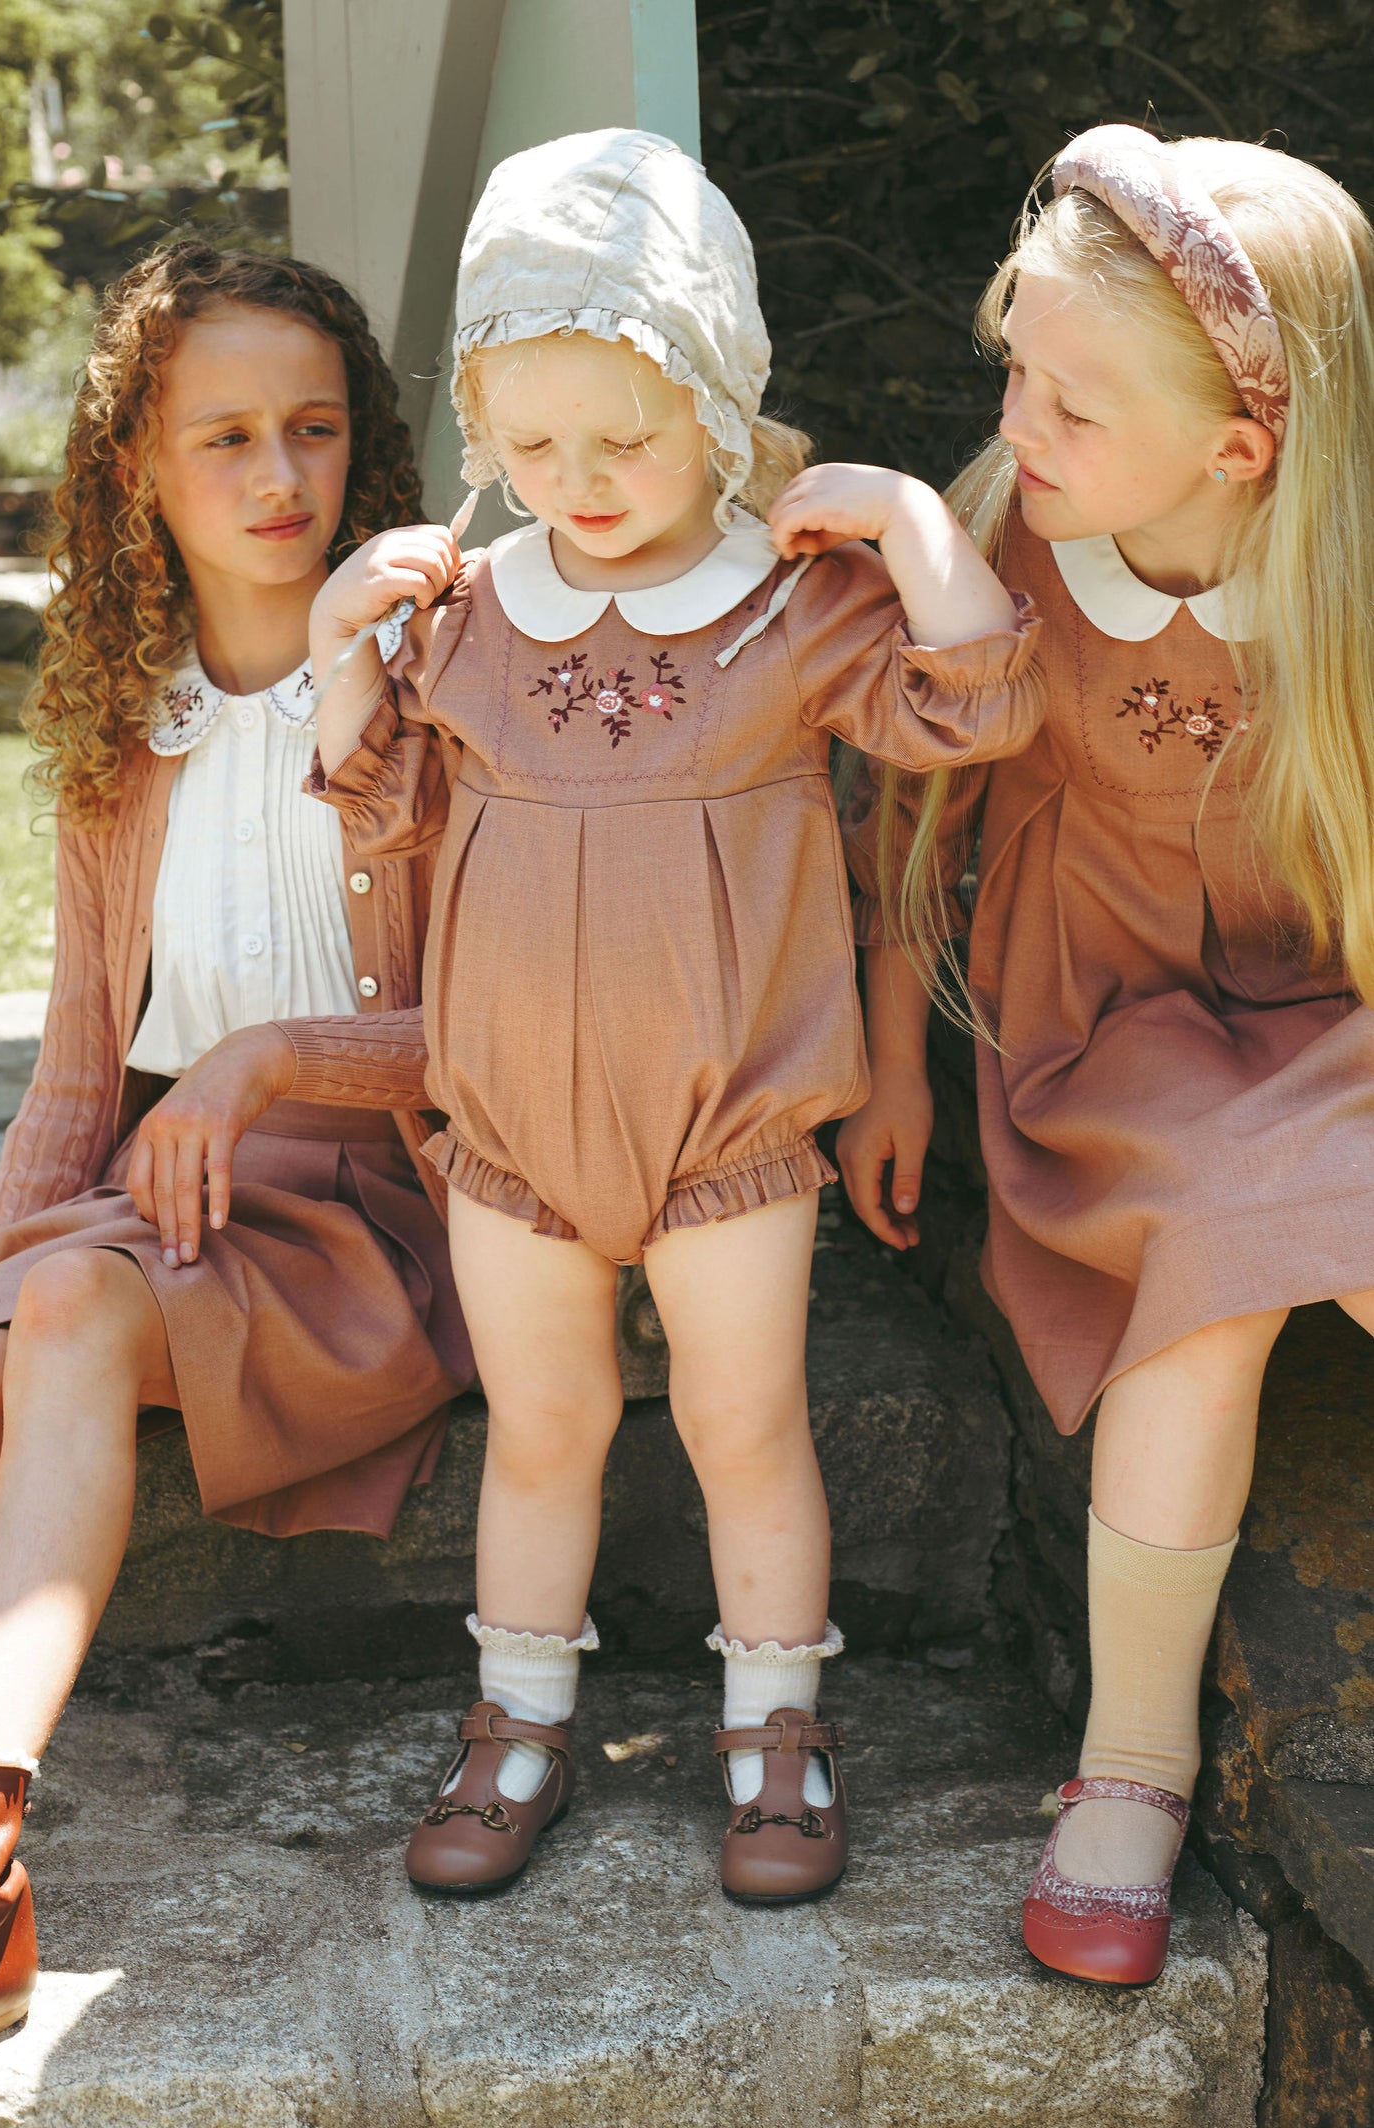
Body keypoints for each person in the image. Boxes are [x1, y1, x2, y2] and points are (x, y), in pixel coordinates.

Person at [310, 129, 1042, 1905]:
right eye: (532, 442)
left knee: (743, 1422)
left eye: (626, 437)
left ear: (717, 399)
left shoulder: (794, 605)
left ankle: (776, 1736)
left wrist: (920, 526)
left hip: (731, 1121)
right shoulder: (471, 619)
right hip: (510, 1137)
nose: (580, 479)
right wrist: (345, 642)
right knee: (544, 1425)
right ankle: (518, 1722)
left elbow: (979, 711)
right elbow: (380, 809)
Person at [840, 124, 1374, 1985]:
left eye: (1070, 400)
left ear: (1240, 447)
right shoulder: (1010, 543)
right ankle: (1130, 1764)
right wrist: (895, 1065)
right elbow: (903, 822)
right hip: (1108, 1029)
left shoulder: (1346, 575)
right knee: (1217, 1259)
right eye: (1020, 367)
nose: (1020, 422)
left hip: (1331, 1018)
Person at [0, 240, 474, 2059]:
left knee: (76, 1314)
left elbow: (516, 1036)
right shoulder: (126, 738)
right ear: (138, 475)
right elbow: (80, 1081)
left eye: (313, 429)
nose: (279, 477)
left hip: (375, 1213)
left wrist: (270, 1058)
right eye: (224, 437)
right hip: (162, 1193)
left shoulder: (437, 688)